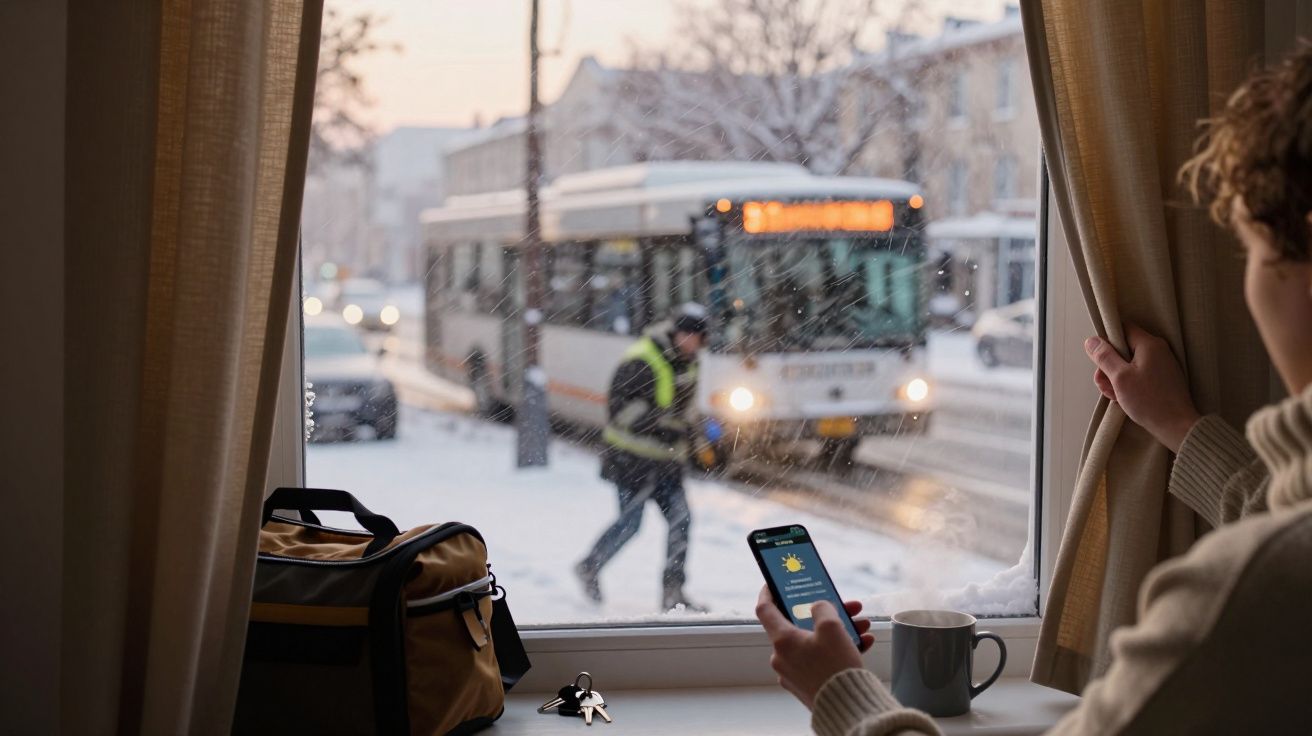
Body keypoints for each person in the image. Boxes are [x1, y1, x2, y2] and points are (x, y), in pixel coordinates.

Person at [758, 45, 1312, 735]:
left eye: (1254, 253)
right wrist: (1178, 425)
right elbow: (1284, 505)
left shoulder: (1242, 598)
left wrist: (842, 690)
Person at [576, 303, 709, 612]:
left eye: (697, 337)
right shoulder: (642, 359)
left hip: (666, 464)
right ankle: (589, 566)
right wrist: (665, 425)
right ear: (676, 333)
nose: (691, 342)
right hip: (631, 463)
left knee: (682, 520)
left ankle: (673, 593)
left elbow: (684, 409)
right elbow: (620, 411)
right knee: (630, 525)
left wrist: (696, 431)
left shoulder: (690, 363)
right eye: (686, 335)